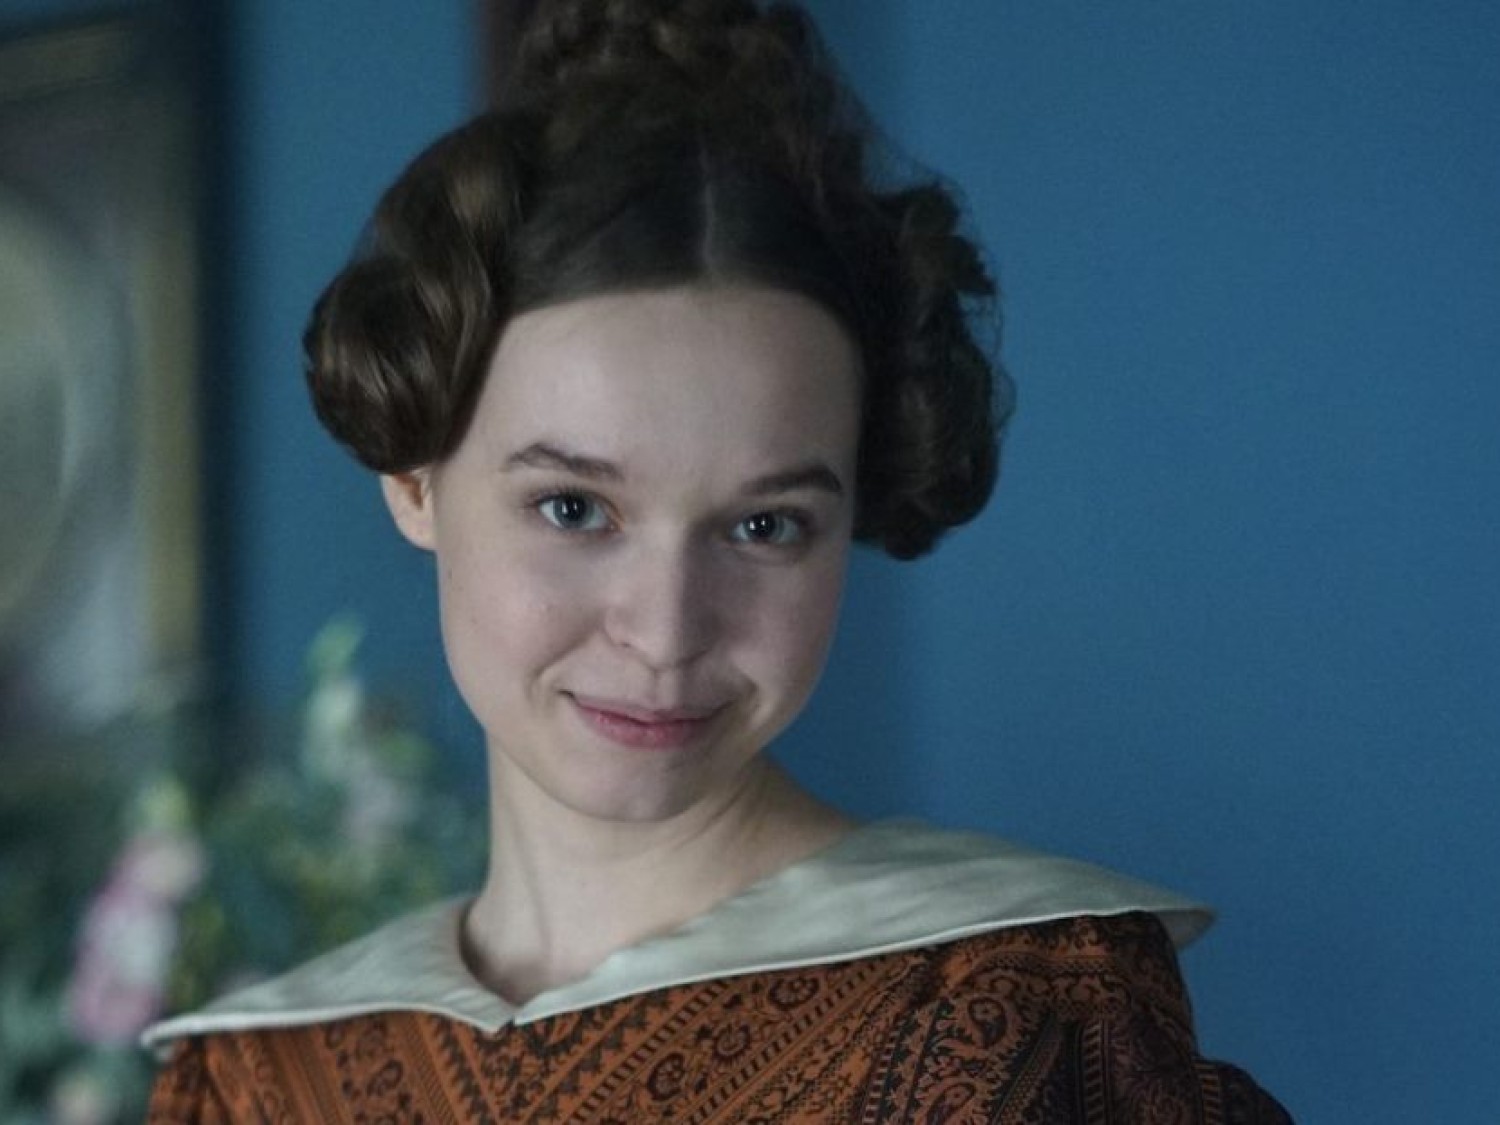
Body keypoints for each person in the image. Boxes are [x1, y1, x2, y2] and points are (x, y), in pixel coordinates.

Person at [144, 1, 1291, 1120]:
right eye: (574, 508)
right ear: (414, 479)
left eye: (764, 526)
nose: (665, 631)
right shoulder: (260, 1085)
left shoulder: (1012, 1024)